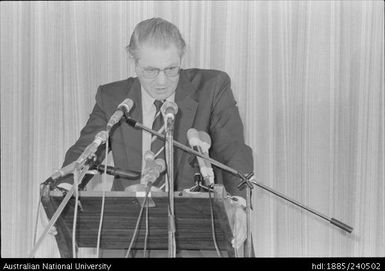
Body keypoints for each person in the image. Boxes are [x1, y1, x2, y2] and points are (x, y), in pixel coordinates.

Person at [52, 17, 254, 257]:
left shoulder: (212, 87)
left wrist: (238, 205)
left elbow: (232, 149)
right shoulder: (112, 97)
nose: (162, 81)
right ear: (134, 62)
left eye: (171, 69)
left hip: (198, 230)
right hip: (129, 232)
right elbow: (85, 150)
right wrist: (60, 196)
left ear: (182, 57)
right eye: (151, 70)